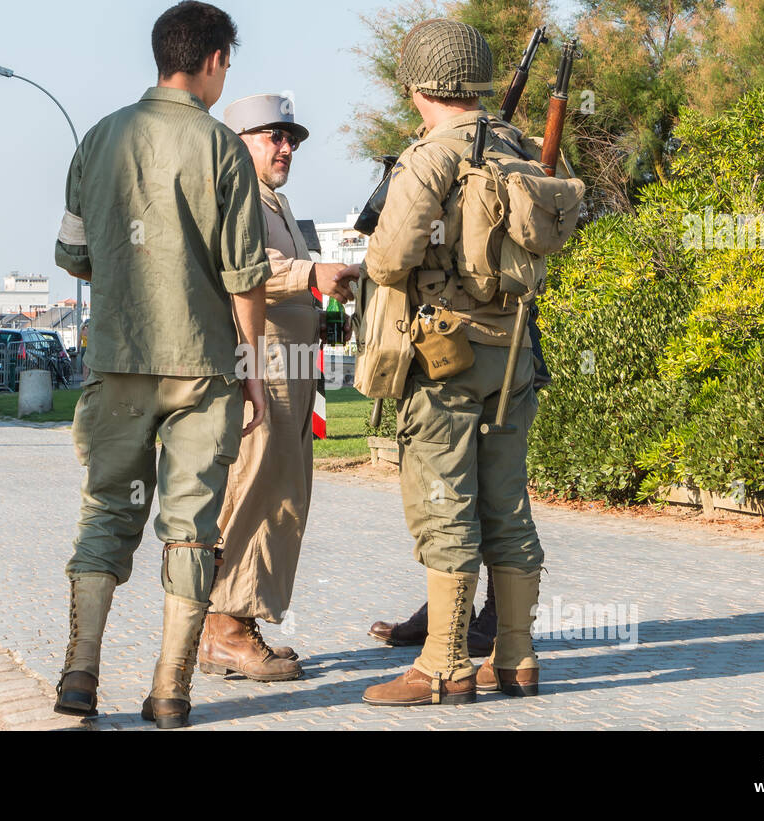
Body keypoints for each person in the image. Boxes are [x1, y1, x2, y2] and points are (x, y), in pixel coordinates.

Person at [51, 0, 271, 729]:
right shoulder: (223, 148)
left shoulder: (97, 138)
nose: (224, 77)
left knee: (106, 509)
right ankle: (171, 689)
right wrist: (255, 370)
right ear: (211, 60)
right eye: (227, 65)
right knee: (191, 526)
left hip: (116, 359)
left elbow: (73, 256)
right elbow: (246, 276)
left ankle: (78, 675)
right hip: (205, 367)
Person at [359, 19, 563, 707]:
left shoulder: (431, 157)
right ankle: (517, 656)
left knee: (446, 503)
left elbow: (387, 259)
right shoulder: (523, 149)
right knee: (507, 501)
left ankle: (444, 664)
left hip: (442, 357)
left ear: (418, 85)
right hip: (514, 356)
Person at [193, 94, 360, 682]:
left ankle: (241, 619)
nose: (288, 147)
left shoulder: (275, 201)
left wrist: (329, 304)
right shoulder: (226, 193)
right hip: (256, 369)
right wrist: (309, 272)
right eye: (274, 136)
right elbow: (241, 268)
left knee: (281, 500)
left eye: (292, 138)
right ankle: (223, 629)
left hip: (293, 370)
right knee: (249, 494)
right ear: (239, 140)